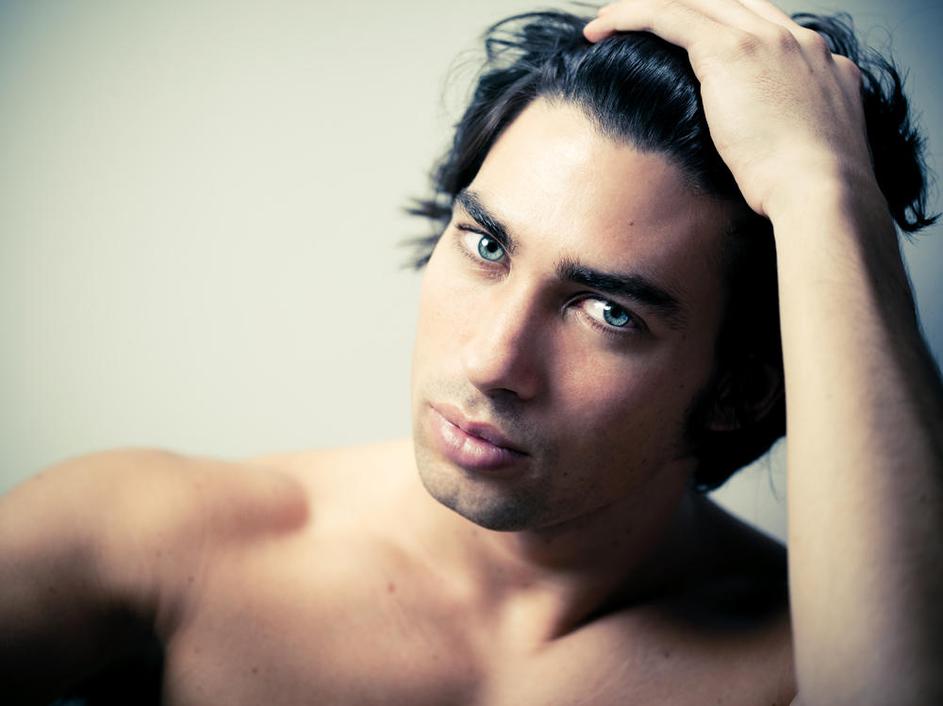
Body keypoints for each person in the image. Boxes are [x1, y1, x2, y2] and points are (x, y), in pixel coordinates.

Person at [2, 1, 941, 704]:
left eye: (607, 312)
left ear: (741, 390)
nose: (493, 361)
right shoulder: (157, 543)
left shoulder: (812, 658)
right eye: (486, 245)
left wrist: (822, 188)